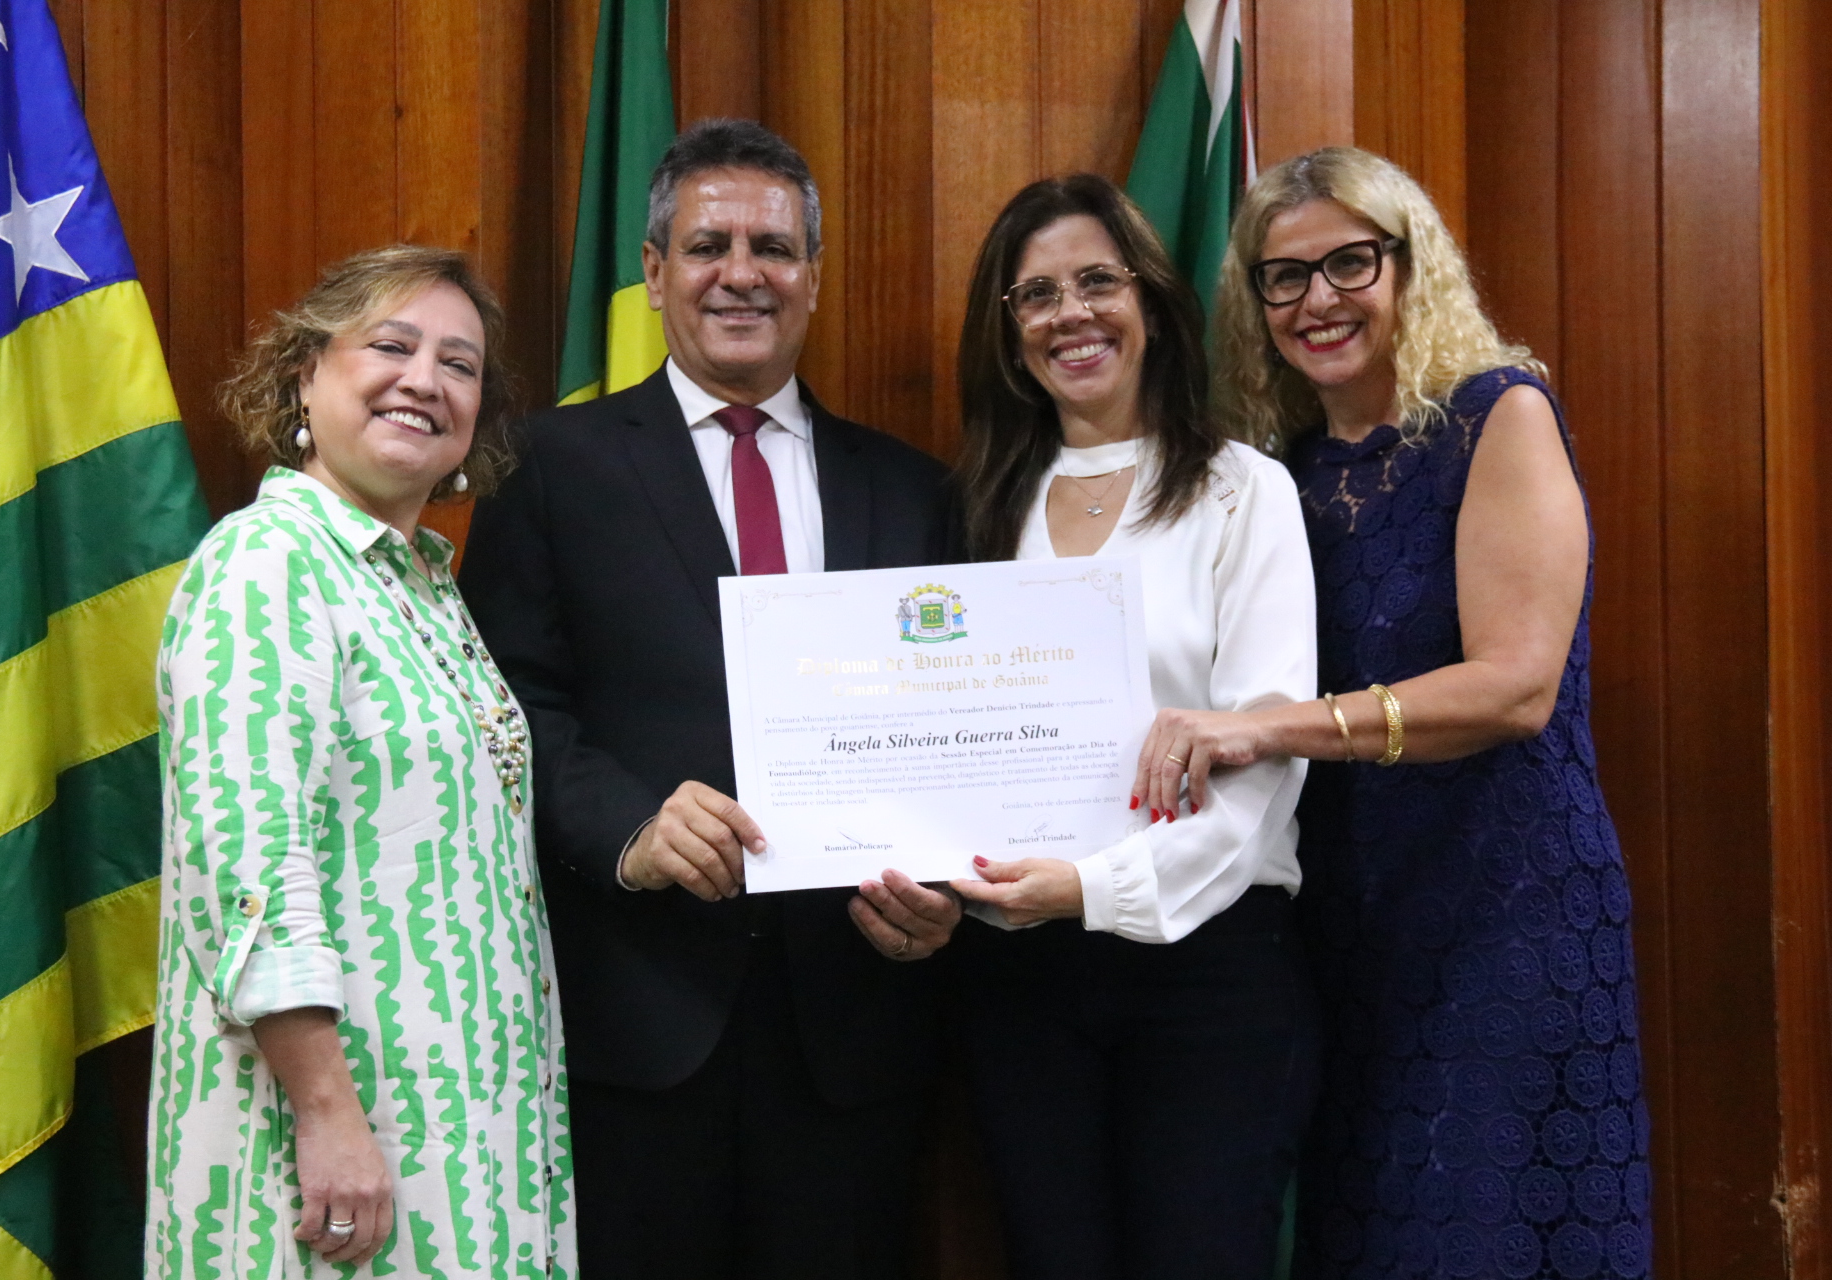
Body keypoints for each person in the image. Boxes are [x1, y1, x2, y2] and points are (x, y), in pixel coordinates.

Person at [1136, 146, 1654, 1278]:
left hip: (1504, 910)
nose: (1316, 299)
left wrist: (1268, 725)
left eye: (1349, 262)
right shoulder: (1281, 471)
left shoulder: (1496, 417)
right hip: (1344, 926)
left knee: (1489, 1235)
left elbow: (1516, 686)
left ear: (1411, 268)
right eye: (1284, 276)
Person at [458, 119, 962, 1280]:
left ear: (814, 275)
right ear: (652, 271)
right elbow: (508, 704)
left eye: (773, 248)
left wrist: (949, 891)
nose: (743, 273)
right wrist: (630, 827)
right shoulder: (550, 466)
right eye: (707, 245)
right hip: (637, 1021)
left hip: (855, 1029)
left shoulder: (912, 489)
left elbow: (951, 731)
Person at [148, 246, 577, 1277]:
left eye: (460, 365)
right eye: (391, 345)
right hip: (327, 1147)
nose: (425, 380)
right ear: (305, 373)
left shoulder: (422, 583)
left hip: (465, 1140)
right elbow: (247, 861)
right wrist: (327, 1114)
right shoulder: (266, 562)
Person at [947, 173, 1322, 1279]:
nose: (1071, 314)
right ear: (1010, 332)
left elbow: (1267, 757)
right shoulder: (975, 507)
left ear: (1151, 300)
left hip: (1208, 968)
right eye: (1036, 294)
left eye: (1097, 282)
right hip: (1018, 971)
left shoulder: (1243, 492)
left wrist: (1091, 889)